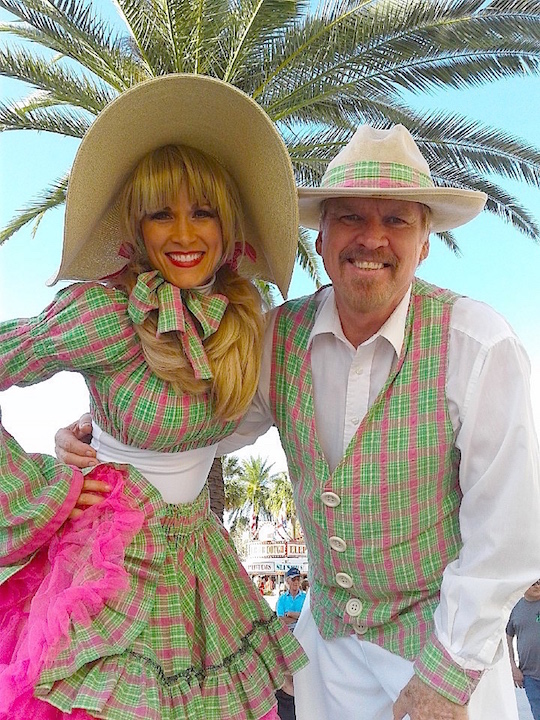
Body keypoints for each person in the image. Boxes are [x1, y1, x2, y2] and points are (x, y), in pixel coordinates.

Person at [56, 124, 540, 720]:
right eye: (350, 217)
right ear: (322, 234)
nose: (371, 238)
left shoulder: (477, 344)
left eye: (396, 221)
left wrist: (447, 674)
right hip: (328, 658)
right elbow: (208, 425)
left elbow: (510, 529)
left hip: (444, 655)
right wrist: (96, 433)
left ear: (424, 243)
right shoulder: (277, 337)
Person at [0, 74, 308, 720]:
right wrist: (40, 483)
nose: (183, 233)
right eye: (161, 213)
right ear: (137, 228)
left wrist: (87, 426)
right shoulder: (103, 314)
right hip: (110, 561)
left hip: (202, 567)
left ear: (226, 226)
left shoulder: (242, 323)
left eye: (202, 212)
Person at [506, 581, 540, 719]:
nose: (537, 586)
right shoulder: (514, 608)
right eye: (533, 583)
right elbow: (507, 638)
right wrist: (513, 667)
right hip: (530, 676)